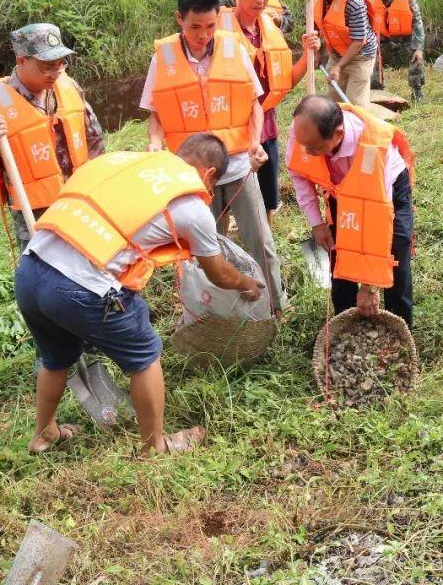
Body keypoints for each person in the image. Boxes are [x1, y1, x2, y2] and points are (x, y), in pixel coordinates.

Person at [16, 135, 265, 454]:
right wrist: (246, 284)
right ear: (209, 174)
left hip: (30, 271)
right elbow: (218, 272)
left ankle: (44, 433)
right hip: (80, 286)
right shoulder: (189, 205)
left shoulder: (127, 163)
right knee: (146, 355)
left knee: (55, 358)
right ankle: (153, 448)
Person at [139, 0, 285, 315]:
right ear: (179, 19)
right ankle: (211, 313)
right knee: (205, 249)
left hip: (235, 164)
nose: (203, 35)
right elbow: (156, 113)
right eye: (194, 27)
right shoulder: (163, 57)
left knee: (260, 240)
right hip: (191, 178)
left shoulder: (234, 49)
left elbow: (254, 104)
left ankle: (276, 306)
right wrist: (155, 143)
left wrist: (254, 142)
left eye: (210, 25)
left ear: (218, 18)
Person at [0, 23, 105, 250]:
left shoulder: (69, 87)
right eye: (46, 66)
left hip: (83, 207)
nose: (55, 73)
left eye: (60, 64)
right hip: (37, 222)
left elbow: (95, 143)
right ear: (22, 61)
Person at [287, 95, 415, 327]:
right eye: (304, 144)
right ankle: (345, 323)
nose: (307, 150)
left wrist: (369, 286)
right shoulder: (303, 133)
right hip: (339, 189)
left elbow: (377, 224)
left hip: (386, 192)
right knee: (340, 251)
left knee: (396, 253)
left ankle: (398, 327)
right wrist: (317, 223)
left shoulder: (372, 150)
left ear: (337, 135)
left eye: (315, 147)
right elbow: (299, 173)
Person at [218, 0, 322, 221]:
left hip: (266, 124)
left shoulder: (269, 28)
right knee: (225, 191)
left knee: (267, 190)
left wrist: (309, 55)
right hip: (230, 127)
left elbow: (284, 82)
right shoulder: (218, 28)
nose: (260, 1)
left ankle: (266, 233)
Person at [313, 0, 378, 110]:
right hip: (337, 53)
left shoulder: (354, 3)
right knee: (335, 102)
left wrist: (339, 67)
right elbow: (319, 26)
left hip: (360, 56)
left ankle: (360, 132)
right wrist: (317, 53)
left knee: (356, 106)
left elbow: (359, 41)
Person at [367, 0, 426, 102]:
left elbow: (417, 21)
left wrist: (419, 49)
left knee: (417, 57)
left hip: (404, 36)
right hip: (380, 36)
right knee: (371, 56)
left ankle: (417, 91)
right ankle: (376, 90)